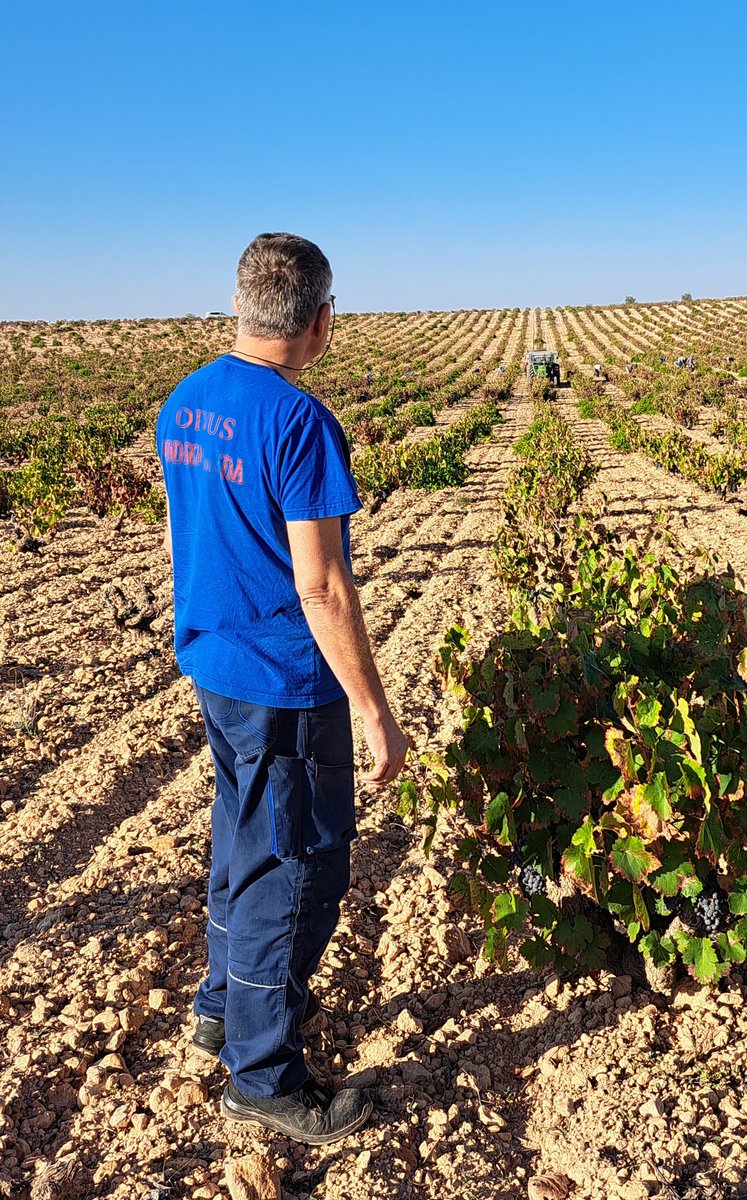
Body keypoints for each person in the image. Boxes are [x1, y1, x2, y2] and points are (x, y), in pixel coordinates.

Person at [156, 232, 408, 1145]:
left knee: (240, 834)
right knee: (296, 865)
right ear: (320, 319)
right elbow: (322, 585)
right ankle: (261, 1074)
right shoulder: (299, 422)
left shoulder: (185, 403)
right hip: (283, 683)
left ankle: (221, 1005)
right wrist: (374, 710)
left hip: (215, 667)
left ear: (241, 305)